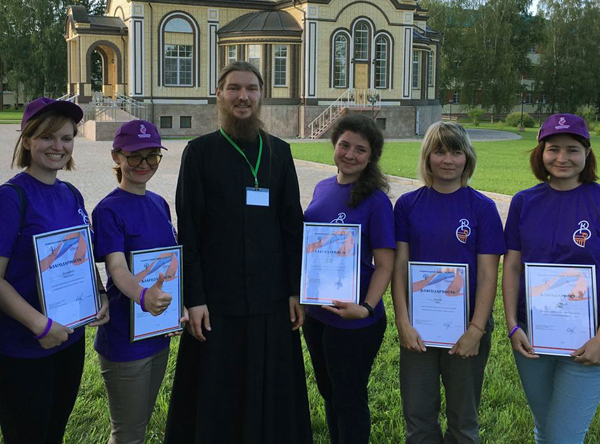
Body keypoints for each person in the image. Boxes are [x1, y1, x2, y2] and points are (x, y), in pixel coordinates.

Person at [164, 61, 312, 444]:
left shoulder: (280, 153)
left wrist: (295, 290)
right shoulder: (199, 153)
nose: (242, 97)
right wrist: (194, 298)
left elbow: (292, 226)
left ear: (262, 96)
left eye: (251, 89)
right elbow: (189, 232)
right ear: (219, 95)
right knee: (218, 395)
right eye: (233, 88)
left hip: (271, 301)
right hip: (217, 303)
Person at [502, 113, 600, 444]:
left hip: (587, 339)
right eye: (553, 149)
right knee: (544, 428)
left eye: (573, 149)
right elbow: (512, 267)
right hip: (532, 337)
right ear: (541, 153)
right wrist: (512, 326)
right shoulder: (524, 202)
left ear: (587, 153)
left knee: (562, 437)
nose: (562, 158)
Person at [0, 97, 109, 444]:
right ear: (27, 140)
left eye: (66, 138)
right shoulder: (9, 199)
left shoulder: (71, 194)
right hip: (23, 346)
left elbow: (81, 255)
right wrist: (39, 325)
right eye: (47, 137)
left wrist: (100, 293)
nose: (58, 146)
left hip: (69, 338)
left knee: (54, 432)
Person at [391, 121, 504, 444]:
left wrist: (476, 331)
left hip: (467, 325)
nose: (448, 160)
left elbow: (488, 275)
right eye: (439, 151)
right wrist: (403, 322)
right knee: (418, 419)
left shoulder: (482, 208)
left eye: (456, 152)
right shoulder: (408, 205)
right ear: (427, 156)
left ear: (467, 157)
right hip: (419, 325)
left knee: (463, 421)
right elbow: (400, 268)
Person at [302, 113, 395, 444]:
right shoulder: (322, 188)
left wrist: (366, 308)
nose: (350, 154)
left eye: (360, 149)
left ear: (371, 156)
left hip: (354, 319)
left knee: (349, 398)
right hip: (317, 314)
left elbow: (385, 264)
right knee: (329, 392)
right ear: (334, 145)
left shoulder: (376, 201)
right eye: (344, 145)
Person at [93, 119, 186, 444]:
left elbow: (169, 266)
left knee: (141, 423)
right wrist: (144, 296)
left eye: (152, 156)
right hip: (124, 339)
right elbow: (117, 268)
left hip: (157, 333)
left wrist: (177, 305)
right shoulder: (108, 210)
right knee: (128, 434)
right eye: (134, 156)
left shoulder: (159, 203)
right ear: (116, 156)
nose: (144, 164)